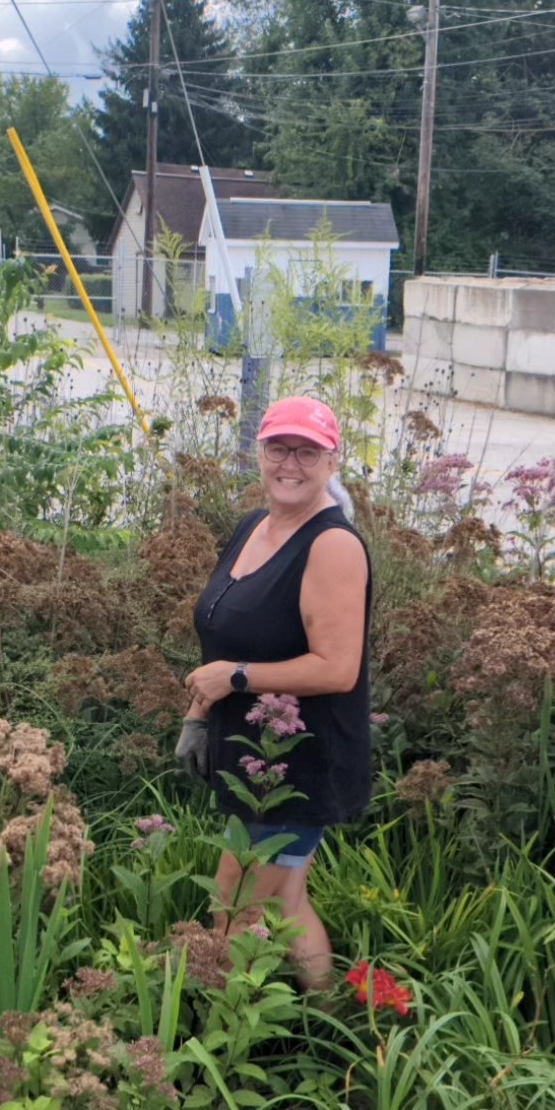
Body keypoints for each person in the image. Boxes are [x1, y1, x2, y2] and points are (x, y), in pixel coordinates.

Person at [178, 396, 373, 989]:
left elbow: (338, 669)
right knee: (285, 902)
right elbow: (227, 633)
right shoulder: (253, 528)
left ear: (332, 461)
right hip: (251, 752)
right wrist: (199, 713)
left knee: (235, 908)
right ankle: (331, 1024)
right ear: (258, 454)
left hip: (297, 761)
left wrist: (235, 678)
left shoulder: (331, 545)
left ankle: (223, 1041)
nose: (291, 463)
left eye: (307, 451)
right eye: (279, 448)